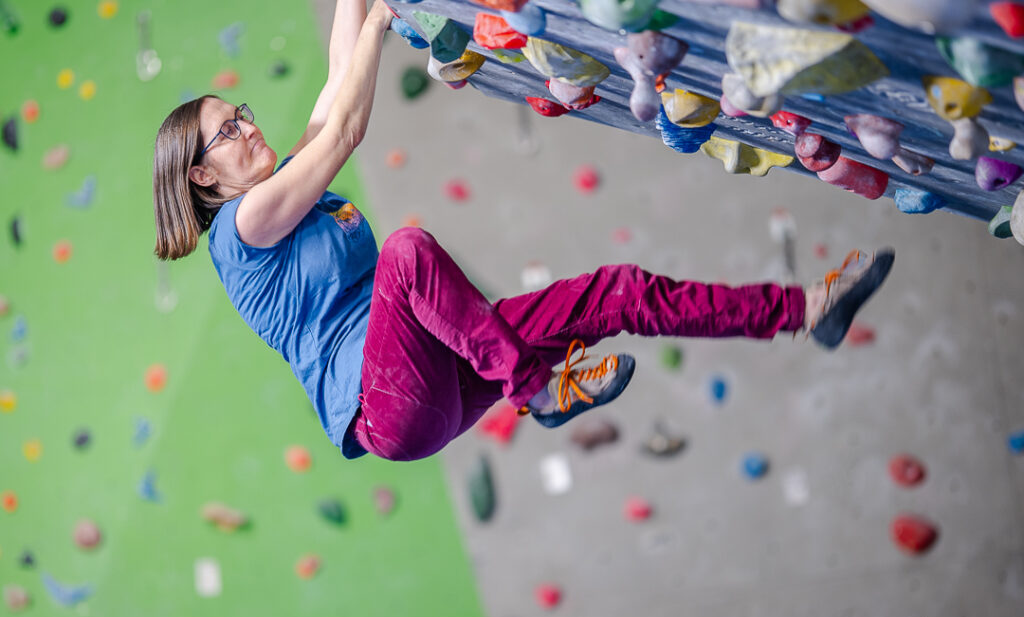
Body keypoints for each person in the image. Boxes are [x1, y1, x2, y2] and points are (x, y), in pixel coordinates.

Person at [151, 0, 894, 463]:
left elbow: (338, 78)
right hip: (385, 407)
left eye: (240, 112)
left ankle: (806, 312)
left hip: (443, 368)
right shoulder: (241, 230)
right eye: (227, 132)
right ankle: (542, 393)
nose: (247, 127)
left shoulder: (288, 190)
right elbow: (343, 129)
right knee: (405, 254)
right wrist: (384, 15)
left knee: (617, 294)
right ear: (203, 179)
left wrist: (363, 7)